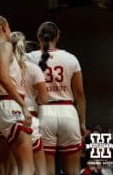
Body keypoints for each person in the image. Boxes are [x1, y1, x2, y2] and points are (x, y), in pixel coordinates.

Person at [26, 21, 87, 175]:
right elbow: (79, 95)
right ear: (58, 36)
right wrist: (83, 123)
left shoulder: (30, 58)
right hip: (69, 113)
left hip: (44, 113)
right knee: (73, 170)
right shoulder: (71, 58)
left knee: (46, 171)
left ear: (38, 37)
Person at [0, 15, 35, 175]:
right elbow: (4, 78)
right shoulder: (4, 46)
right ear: (4, 27)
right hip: (10, 105)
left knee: (2, 167)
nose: (10, 31)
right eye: (9, 27)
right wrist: (24, 105)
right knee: (27, 167)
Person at [11, 31, 48, 175]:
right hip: (30, 116)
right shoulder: (33, 69)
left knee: (15, 167)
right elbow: (44, 99)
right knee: (39, 170)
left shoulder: (4, 68)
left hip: (9, 116)